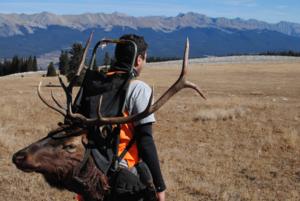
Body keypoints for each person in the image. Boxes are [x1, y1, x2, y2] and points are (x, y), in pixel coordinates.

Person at [110, 34, 166, 201]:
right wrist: (160, 186)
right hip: (122, 172)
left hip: (93, 169)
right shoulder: (137, 89)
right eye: (145, 58)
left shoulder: (98, 83)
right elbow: (145, 140)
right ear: (139, 60)